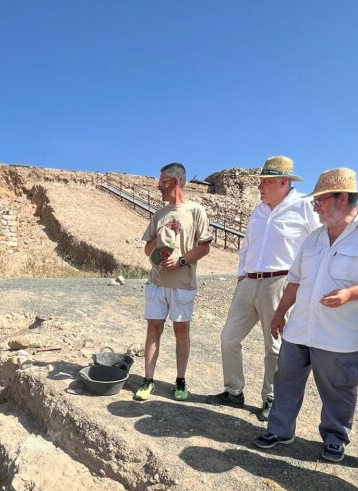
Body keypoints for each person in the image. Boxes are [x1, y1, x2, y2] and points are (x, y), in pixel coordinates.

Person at [252, 168, 358, 462]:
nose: (315, 206)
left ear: (342, 198)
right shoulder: (315, 238)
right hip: (300, 328)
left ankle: (335, 438)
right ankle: (280, 430)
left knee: (338, 390)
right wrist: (280, 313)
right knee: (286, 379)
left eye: (320, 200)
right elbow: (295, 280)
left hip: (341, 334)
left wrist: (349, 294)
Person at [207, 156, 320, 420]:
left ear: (283, 182)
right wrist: (241, 276)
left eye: (266, 182)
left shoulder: (304, 206)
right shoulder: (258, 211)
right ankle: (233, 391)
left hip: (280, 281)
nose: (260, 187)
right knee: (229, 337)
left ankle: (271, 398)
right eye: (260, 182)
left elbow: (317, 244)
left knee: (275, 345)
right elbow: (247, 246)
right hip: (249, 281)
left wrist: (305, 281)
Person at [135, 162, 213, 401]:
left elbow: (204, 247)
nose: (159, 187)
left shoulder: (196, 211)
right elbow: (147, 250)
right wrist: (158, 240)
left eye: (162, 183)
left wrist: (181, 261)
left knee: (181, 330)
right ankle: (148, 380)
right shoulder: (159, 214)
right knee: (153, 329)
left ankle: (180, 381)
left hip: (183, 284)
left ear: (175, 182)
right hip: (157, 283)